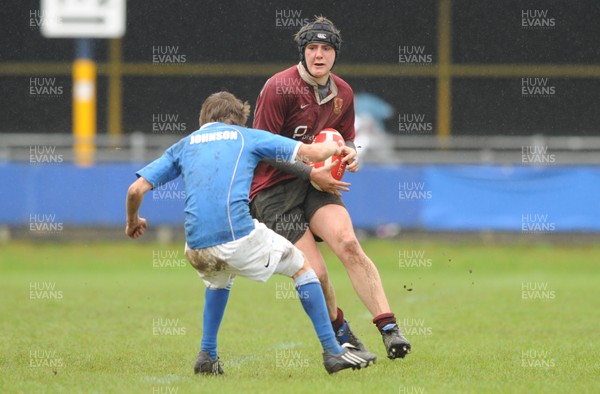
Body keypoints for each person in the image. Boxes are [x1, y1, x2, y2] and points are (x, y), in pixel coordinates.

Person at [125, 91, 376, 375]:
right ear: (237, 119)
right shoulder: (246, 136)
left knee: (218, 280)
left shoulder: (184, 145)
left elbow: (135, 190)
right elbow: (311, 153)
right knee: (304, 268)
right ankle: (332, 351)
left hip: (195, 246)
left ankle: (207, 355)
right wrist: (340, 149)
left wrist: (133, 222)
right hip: (237, 236)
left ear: (204, 119)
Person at [249, 16, 411, 359]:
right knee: (316, 273)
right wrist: (310, 174)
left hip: (317, 182)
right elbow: (262, 148)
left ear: (334, 54)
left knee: (349, 243)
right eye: (312, 48)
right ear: (302, 52)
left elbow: (345, 135)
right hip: (274, 191)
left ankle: (389, 330)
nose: (318, 55)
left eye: (325, 48)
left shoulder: (344, 92)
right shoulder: (279, 88)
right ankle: (342, 333)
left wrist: (351, 152)